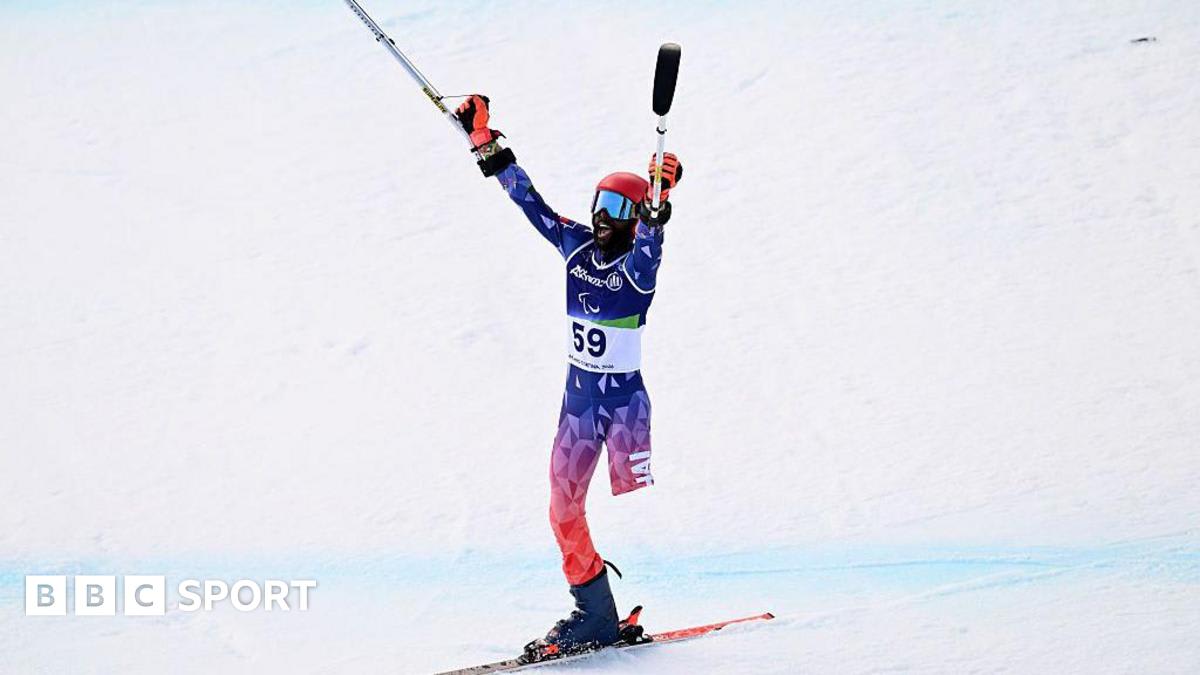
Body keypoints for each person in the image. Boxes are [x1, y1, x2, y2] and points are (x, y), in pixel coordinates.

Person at [454, 95, 683, 657]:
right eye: (602, 202)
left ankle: (597, 612)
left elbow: (651, 245)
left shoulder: (637, 270)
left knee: (622, 497)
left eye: (620, 208)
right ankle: (594, 611)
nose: (606, 215)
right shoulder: (575, 246)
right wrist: (485, 142)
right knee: (561, 507)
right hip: (578, 404)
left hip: (622, 405)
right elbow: (528, 202)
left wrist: (659, 204)